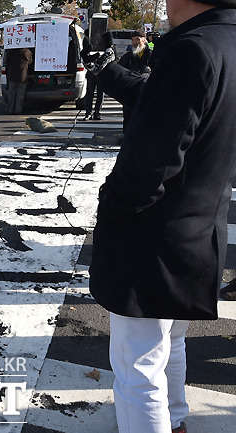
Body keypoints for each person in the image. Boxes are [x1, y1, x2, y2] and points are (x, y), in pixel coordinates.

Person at [87, 0, 236, 432]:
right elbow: (165, 104)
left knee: (137, 370)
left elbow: (148, 166)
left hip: (154, 239)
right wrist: (110, 71)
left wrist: (111, 213)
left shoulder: (193, 49)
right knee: (170, 345)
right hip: (200, 229)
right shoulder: (225, 41)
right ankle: (176, 420)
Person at [118, 29, 152, 132]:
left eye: (138, 39)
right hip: (131, 91)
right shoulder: (128, 56)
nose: (135, 42)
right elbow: (119, 70)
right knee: (128, 116)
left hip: (146, 91)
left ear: (144, 40)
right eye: (133, 40)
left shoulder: (151, 55)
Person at [81, 36, 104, 121]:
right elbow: (84, 57)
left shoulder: (104, 43)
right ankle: (88, 113)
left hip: (101, 73)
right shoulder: (88, 41)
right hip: (91, 73)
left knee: (100, 94)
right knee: (89, 94)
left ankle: (97, 112)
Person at [4, 47, 32, 114]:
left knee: (11, 93)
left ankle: (10, 109)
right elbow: (30, 62)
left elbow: (6, 62)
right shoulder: (27, 52)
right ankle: (18, 110)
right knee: (20, 94)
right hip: (22, 75)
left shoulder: (11, 51)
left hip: (12, 75)